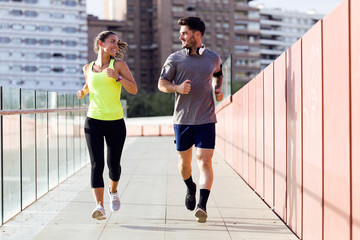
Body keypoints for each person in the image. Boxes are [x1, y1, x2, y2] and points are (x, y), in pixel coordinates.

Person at [158, 17, 223, 223]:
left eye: (184, 33)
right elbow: (161, 83)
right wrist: (177, 88)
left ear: (197, 35)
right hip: (183, 120)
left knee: (204, 160)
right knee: (185, 163)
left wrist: (218, 87)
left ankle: (202, 206)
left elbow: (218, 74)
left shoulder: (213, 58)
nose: (181, 36)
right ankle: (190, 187)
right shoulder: (174, 59)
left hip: (206, 119)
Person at [77, 30, 137, 220]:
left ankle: (113, 191)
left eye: (117, 43)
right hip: (93, 120)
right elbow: (90, 85)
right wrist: (82, 92)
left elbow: (134, 89)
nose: (116, 45)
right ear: (101, 44)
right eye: (112, 41)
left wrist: (118, 78)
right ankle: (99, 206)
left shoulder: (118, 65)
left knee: (113, 164)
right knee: (96, 164)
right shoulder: (88, 68)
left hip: (115, 122)